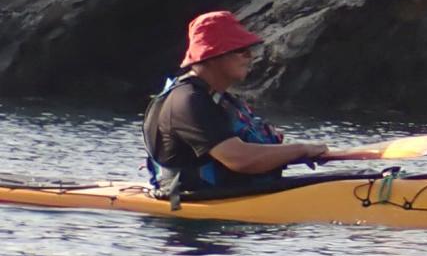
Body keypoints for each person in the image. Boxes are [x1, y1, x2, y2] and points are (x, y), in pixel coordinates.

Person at [142, 11, 362, 201]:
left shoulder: (216, 98)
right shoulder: (187, 100)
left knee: (361, 175)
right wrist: (302, 149)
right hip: (193, 201)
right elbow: (240, 160)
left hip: (228, 194)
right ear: (211, 56)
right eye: (240, 50)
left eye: (249, 49)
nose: (250, 56)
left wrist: (285, 152)